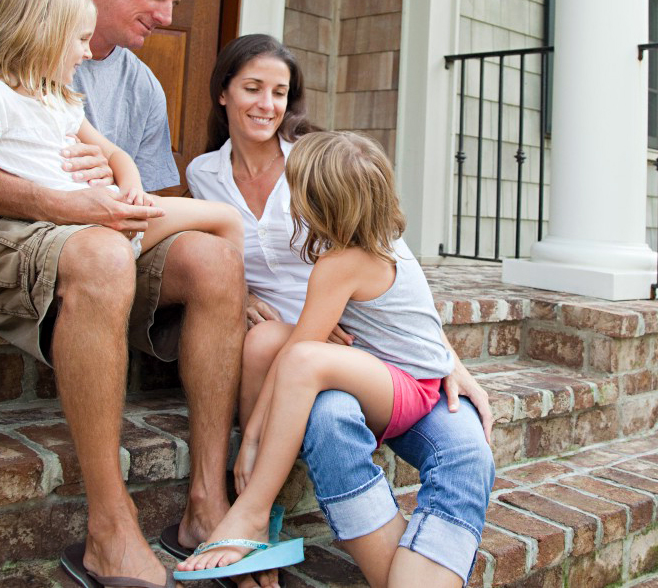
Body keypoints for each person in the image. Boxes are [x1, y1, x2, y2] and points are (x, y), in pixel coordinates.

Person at [0, 0, 245, 588]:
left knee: (213, 257)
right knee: (101, 254)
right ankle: (109, 531)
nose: (169, 16)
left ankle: (207, 505)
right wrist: (62, 205)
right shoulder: (0, 10)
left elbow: (141, 198)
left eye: (177, 2)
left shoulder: (139, 84)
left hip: (95, 239)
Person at [184, 35, 495, 587]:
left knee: (305, 364)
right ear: (224, 94)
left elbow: (384, 321)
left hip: (382, 366)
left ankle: (253, 506)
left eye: (279, 91)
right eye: (253, 87)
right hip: (334, 349)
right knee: (282, 361)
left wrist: (447, 356)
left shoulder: (327, 200)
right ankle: (265, 513)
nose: (267, 102)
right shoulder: (207, 174)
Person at [175, 131, 456, 580]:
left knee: (303, 359)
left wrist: (249, 443)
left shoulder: (343, 263)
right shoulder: (365, 242)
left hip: (408, 388)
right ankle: (262, 496)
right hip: (375, 366)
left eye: (294, 189)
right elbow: (286, 347)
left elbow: (301, 354)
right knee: (266, 340)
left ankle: (252, 507)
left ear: (317, 202)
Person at [0, 0, 243, 347]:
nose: (86, 52)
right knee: (115, 253)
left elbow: (115, 154)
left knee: (226, 217)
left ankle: (237, 313)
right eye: (79, 40)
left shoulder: (61, 100)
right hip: (65, 232)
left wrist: (132, 188)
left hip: (111, 214)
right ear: (44, 35)